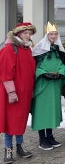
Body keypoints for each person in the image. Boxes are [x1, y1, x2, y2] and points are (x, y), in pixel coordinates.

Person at [0, 22, 36, 163]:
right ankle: (8, 150)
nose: (28, 36)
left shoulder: (27, 49)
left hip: (25, 93)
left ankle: (20, 147)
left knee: (20, 120)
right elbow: (5, 73)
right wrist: (11, 92)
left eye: (30, 34)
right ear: (18, 34)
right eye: (26, 33)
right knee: (11, 121)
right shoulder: (9, 49)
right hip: (13, 93)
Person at [31, 22, 65, 151]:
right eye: (51, 34)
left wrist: (61, 73)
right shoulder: (38, 50)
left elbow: (62, 65)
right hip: (43, 86)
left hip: (54, 86)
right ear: (47, 35)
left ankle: (50, 136)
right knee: (42, 112)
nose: (53, 36)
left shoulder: (59, 50)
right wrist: (43, 74)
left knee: (52, 111)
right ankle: (42, 139)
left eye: (55, 34)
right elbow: (35, 67)